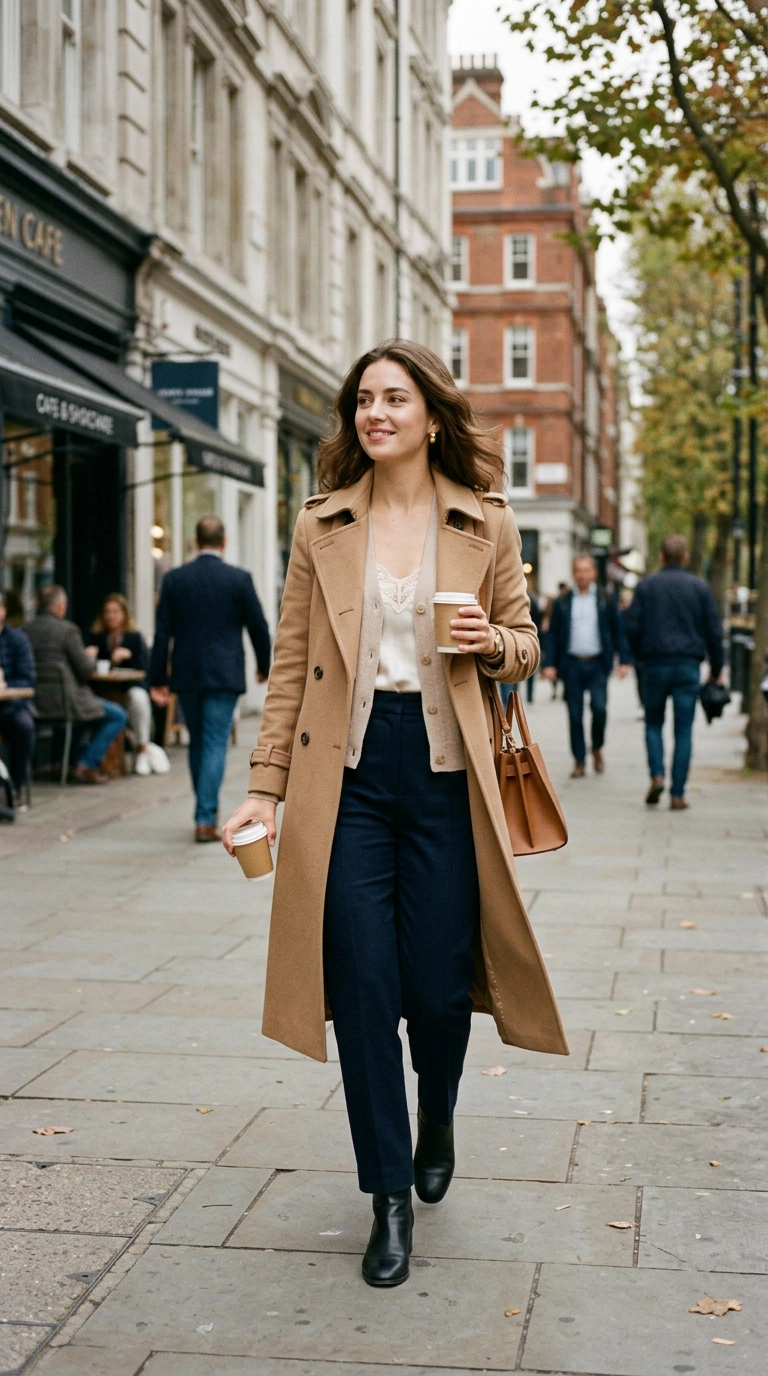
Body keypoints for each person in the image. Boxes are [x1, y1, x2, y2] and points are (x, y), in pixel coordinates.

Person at [222, 340, 567, 1289]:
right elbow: (291, 664)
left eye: (394, 399)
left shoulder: (485, 520)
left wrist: (491, 640)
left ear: (429, 414)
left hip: (449, 775)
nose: (375, 413)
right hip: (353, 779)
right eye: (363, 400)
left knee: (436, 987)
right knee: (365, 987)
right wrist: (261, 787)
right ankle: (387, 1197)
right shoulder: (321, 523)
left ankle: (440, 1108)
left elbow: (529, 646)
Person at [149, 515, 271, 842]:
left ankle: (204, 812)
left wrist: (157, 677)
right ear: (224, 542)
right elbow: (258, 626)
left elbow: (162, 633)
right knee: (215, 742)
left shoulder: (176, 579)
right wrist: (265, 665)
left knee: (197, 741)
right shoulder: (238, 579)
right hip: (224, 673)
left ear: (195, 541)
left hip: (187, 673)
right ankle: (205, 817)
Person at [623, 533, 724, 809]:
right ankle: (678, 793)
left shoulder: (646, 587)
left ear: (661, 557)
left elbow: (630, 626)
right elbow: (714, 632)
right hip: (687, 667)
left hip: (654, 665)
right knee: (683, 731)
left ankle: (657, 775)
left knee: (653, 723)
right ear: (686, 557)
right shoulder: (699, 588)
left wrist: (639, 655)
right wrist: (716, 669)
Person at [25, 585, 128, 784]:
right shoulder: (68, 630)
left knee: (79, 715)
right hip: (69, 702)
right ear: (60, 606)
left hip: (35, 703)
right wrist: (90, 656)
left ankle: (60, 763)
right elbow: (85, 670)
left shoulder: (25, 630)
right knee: (118, 715)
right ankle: (87, 763)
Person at [543, 554, 631, 777]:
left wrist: (624, 661)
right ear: (574, 574)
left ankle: (597, 747)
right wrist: (549, 664)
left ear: (594, 573)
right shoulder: (562, 601)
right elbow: (552, 635)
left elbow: (617, 630)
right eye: (578, 570)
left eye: (586, 570)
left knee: (600, 709)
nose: (582, 575)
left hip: (597, 664)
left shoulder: (605, 598)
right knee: (574, 714)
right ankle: (580, 760)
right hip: (571, 664)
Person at [88, 594, 169, 777]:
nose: (111, 616)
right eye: (107, 612)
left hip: (130, 687)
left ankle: (142, 748)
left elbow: (144, 670)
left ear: (124, 614)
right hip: (104, 690)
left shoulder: (134, 637)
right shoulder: (97, 637)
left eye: (115, 612)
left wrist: (129, 656)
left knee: (139, 698)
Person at [0, 590, 36, 803]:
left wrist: (5, 686)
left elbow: (27, 679)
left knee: (24, 725)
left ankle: (15, 785)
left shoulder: (17, 640)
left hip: (9, 706)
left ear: (3, 611)